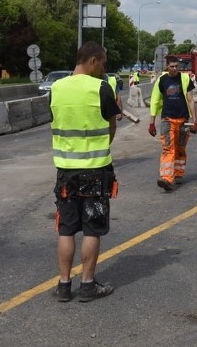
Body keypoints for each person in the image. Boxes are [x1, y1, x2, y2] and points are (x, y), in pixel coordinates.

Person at [50, 41, 121, 302]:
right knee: (92, 229)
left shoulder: (56, 88)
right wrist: (102, 145)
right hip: (95, 170)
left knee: (66, 229)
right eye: (102, 64)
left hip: (66, 170)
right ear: (92, 60)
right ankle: (88, 285)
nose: (103, 70)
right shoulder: (101, 88)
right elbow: (112, 125)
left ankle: (64, 285)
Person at [148, 54, 197, 192]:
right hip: (167, 120)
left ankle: (179, 173)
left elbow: (190, 100)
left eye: (177, 66)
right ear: (167, 66)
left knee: (180, 148)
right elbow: (155, 100)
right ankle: (166, 178)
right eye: (172, 67)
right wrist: (152, 122)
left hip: (183, 120)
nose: (175, 69)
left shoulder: (185, 78)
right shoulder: (161, 80)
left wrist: (195, 121)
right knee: (168, 148)